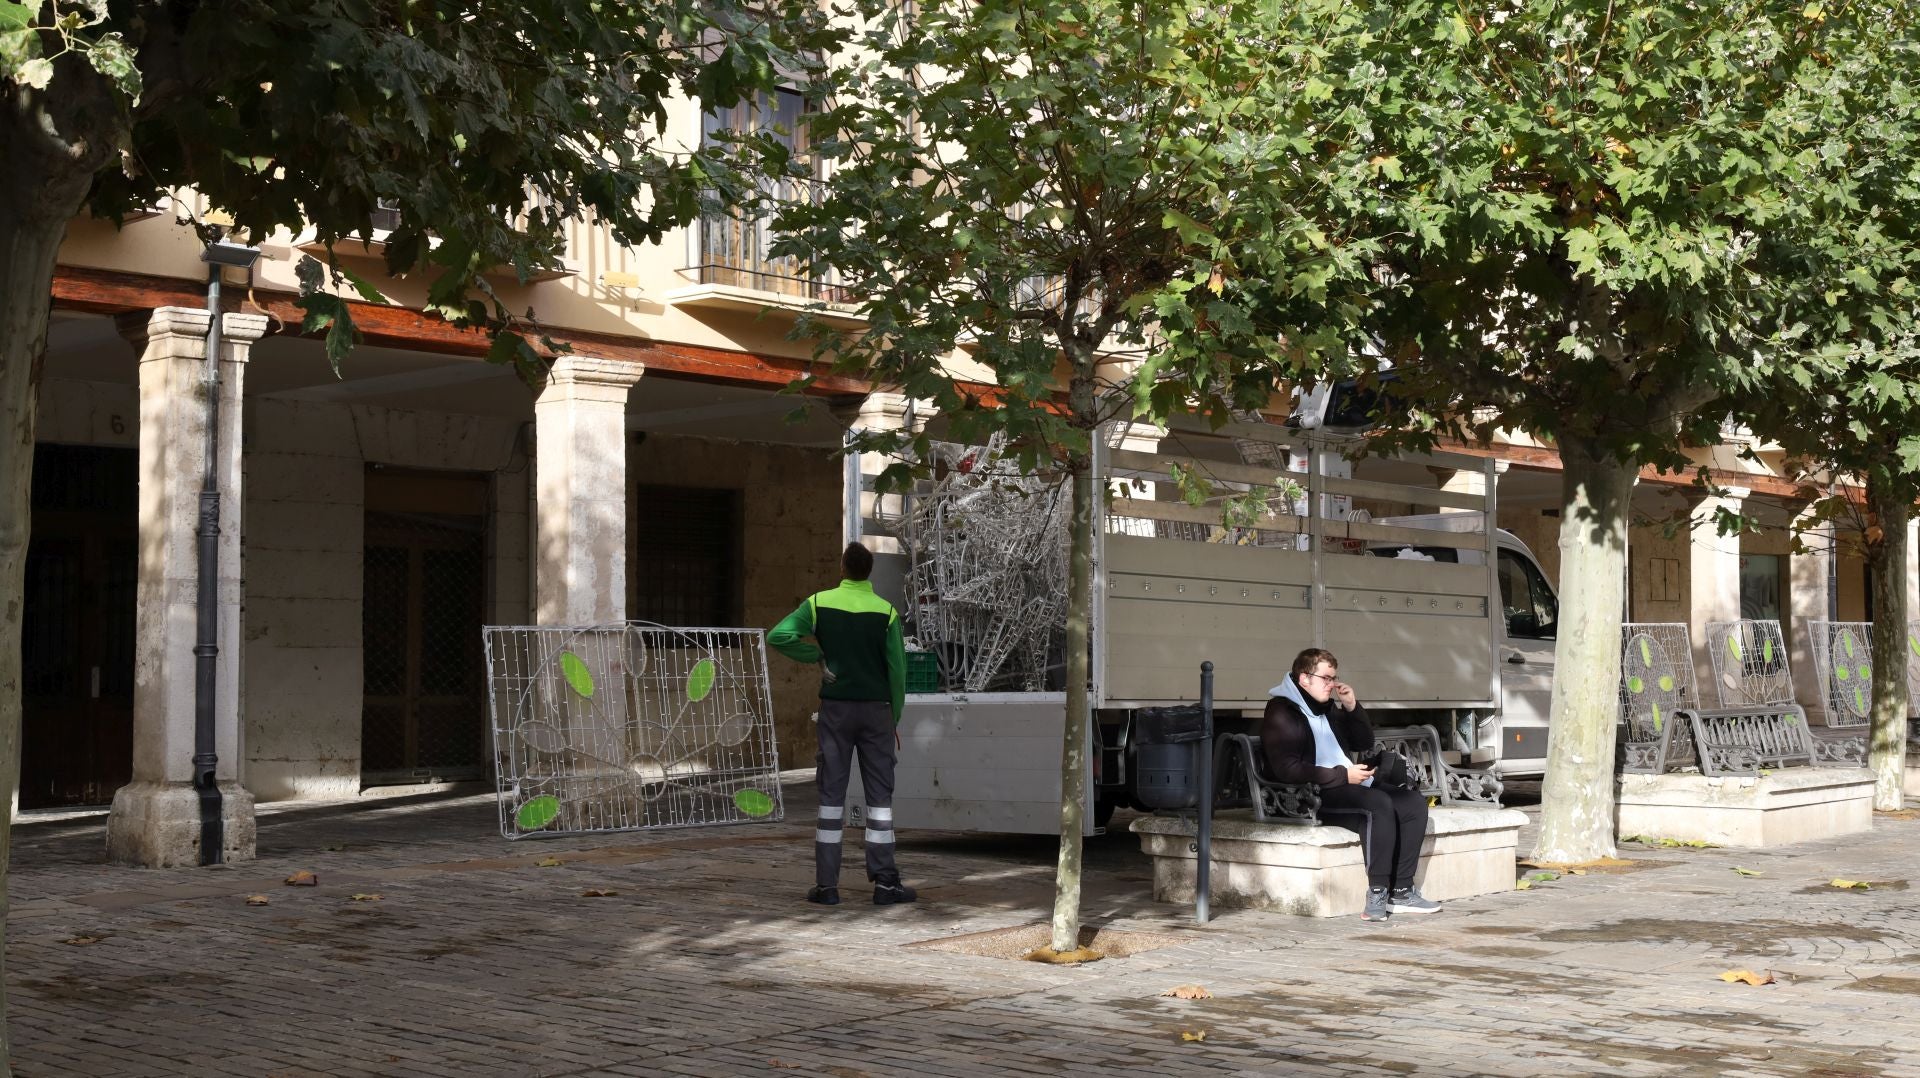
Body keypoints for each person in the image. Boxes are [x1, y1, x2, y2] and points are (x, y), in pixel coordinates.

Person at [768, 541, 915, 907]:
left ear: (842, 567)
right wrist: (892, 715)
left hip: (835, 711)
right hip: (877, 711)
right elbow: (898, 671)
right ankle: (885, 883)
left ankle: (827, 886)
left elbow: (778, 635)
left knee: (831, 798)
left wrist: (815, 654)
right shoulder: (887, 612)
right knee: (880, 799)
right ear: (870, 571)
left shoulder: (818, 604)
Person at [1262, 647, 1438, 922]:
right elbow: (1288, 769)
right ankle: (1378, 892)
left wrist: (1352, 707)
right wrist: (1342, 776)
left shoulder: (1327, 707)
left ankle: (1402, 891)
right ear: (1304, 678)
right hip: (1310, 794)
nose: (1331, 685)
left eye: (1333, 678)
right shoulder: (1282, 711)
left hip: (1346, 784)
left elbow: (1362, 743)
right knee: (1378, 805)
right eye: (1326, 678)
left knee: (1413, 804)